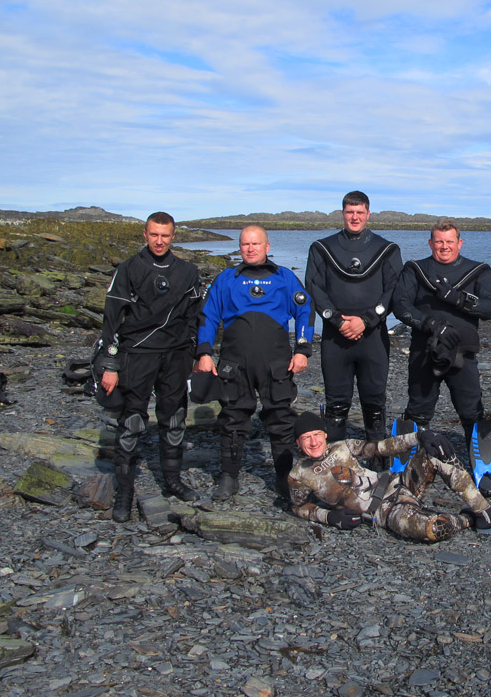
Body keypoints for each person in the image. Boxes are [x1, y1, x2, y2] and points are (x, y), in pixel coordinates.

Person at [193, 225, 314, 504]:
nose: (250, 248)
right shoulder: (226, 279)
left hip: (276, 363)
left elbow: (305, 310)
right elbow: (207, 316)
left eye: (256, 244)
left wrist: (303, 350)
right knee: (232, 418)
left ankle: (283, 476)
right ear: (240, 247)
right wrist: (204, 352)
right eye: (245, 244)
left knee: (281, 419)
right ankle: (229, 476)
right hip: (235, 362)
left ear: (267, 246)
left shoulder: (284, 277)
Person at [99, 212, 204, 523]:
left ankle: (172, 481)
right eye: (154, 235)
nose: (160, 241)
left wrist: (198, 354)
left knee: (174, 419)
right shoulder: (129, 269)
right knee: (131, 422)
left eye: (165, 235)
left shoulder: (187, 271)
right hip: (136, 354)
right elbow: (111, 320)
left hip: (175, 356)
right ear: (144, 234)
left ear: (173, 236)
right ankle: (124, 493)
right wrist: (110, 364)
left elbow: (196, 317)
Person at [287, 411, 491, 540]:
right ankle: (470, 519)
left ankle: (485, 512)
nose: (313, 442)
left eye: (317, 435)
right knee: (434, 530)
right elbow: (298, 507)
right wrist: (329, 517)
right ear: (298, 443)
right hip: (386, 512)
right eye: (306, 438)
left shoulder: (342, 446)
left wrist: (420, 437)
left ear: (325, 435)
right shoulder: (298, 475)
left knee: (437, 454)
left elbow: (381, 447)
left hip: (398, 483)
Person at [305, 191, 402, 445]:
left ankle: (377, 456)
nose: (355, 217)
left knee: (375, 402)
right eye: (350, 212)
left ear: (368, 214)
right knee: (336, 403)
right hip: (335, 338)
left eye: (360, 212)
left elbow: (394, 290)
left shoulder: (387, 249)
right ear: (343, 213)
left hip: (373, 337)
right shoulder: (321, 248)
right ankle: (335, 456)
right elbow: (314, 288)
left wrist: (367, 320)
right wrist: (338, 321)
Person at [392, 220, 491, 441]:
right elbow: (401, 306)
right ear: (430, 243)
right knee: (418, 408)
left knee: (471, 410)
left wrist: (459, 300)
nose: (444, 246)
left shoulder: (479, 270)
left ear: (460, 243)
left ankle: (477, 456)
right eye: (439, 242)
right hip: (424, 349)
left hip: (463, 351)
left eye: (449, 241)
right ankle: (413, 453)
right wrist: (431, 324)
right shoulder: (415, 269)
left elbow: (489, 308)